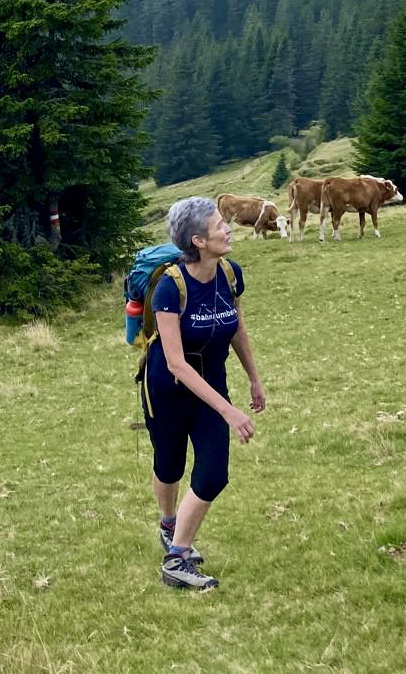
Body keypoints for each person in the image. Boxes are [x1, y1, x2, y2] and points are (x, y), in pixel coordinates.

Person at [140, 195, 265, 590]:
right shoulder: (168, 288)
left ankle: (176, 559)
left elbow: (237, 328)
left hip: (213, 383)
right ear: (197, 240)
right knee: (170, 464)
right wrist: (229, 411)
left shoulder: (230, 274)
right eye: (218, 226)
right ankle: (168, 523)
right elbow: (176, 363)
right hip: (168, 388)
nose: (228, 229)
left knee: (213, 475)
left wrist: (254, 378)